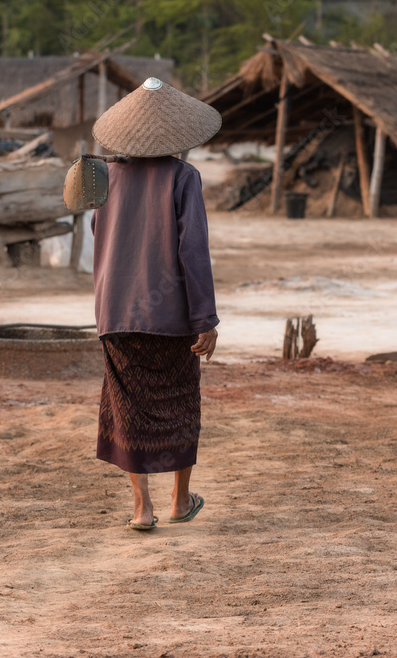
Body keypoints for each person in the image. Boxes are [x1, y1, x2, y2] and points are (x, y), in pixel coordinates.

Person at [89, 77, 222, 531]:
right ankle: (180, 501)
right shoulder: (184, 177)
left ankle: (141, 509)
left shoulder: (104, 177)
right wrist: (205, 318)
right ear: (178, 137)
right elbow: (194, 251)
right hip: (171, 316)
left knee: (128, 406)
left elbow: (98, 237)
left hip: (116, 312)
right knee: (180, 403)